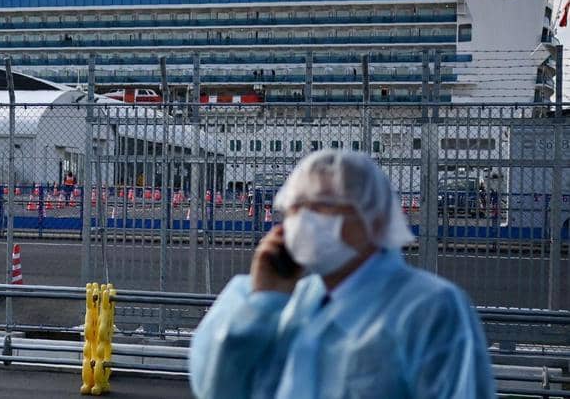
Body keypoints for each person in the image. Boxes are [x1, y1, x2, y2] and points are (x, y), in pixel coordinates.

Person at [190, 150, 494, 398]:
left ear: (375, 218)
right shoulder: (294, 302)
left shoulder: (430, 308)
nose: (304, 220)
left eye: (324, 205)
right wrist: (262, 301)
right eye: (296, 207)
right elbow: (219, 389)